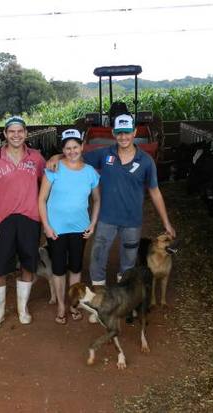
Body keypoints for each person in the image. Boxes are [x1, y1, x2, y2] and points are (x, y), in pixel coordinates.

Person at [47, 114, 175, 322]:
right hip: (106, 218)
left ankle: (121, 304)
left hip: (132, 221)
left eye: (127, 132)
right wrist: (56, 157)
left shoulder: (146, 161)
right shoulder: (104, 154)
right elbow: (75, 156)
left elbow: (155, 191)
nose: (123, 136)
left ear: (134, 132)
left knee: (128, 264)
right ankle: (99, 305)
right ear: (114, 133)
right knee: (98, 260)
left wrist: (166, 222)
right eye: (119, 132)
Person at [0, 116, 46, 330]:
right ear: (5, 134)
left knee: (28, 265)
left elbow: (48, 183)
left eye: (20, 131)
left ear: (26, 133)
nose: (16, 135)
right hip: (4, 221)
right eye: (12, 131)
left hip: (30, 219)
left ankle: (22, 309)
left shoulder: (36, 157)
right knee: (0, 269)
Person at [38, 129, 101, 325]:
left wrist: (92, 223)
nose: (72, 151)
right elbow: (41, 199)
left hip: (80, 227)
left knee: (75, 267)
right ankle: (61, 305)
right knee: (58, 269)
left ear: (82, 147)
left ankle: (73, 304)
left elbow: (97, 200)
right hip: (56, 228)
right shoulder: (53, 169)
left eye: (75, 147)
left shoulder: (90, 172)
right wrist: (46, 226)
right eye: (67, 148)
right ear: (62, 149)